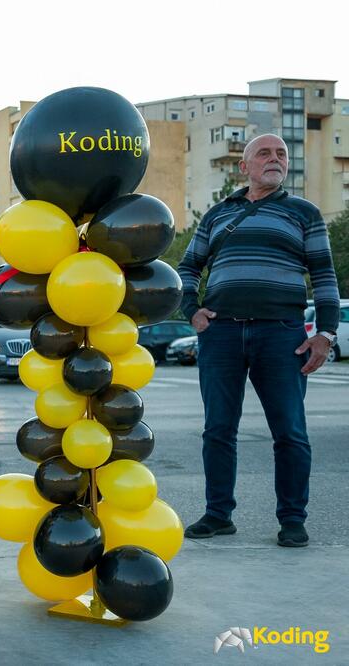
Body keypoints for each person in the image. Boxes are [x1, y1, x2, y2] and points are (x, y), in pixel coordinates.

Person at [178, 133, 339, 548]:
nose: (275, 159)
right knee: (217, 430)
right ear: (244, 166)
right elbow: (188, 267)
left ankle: (292, 519)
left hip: (281, 333)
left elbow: (324, 275)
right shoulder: (217, 214)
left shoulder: (304, 212)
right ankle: (218, 515)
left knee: (290, 432)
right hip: (222, 333)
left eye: (281, 154)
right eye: (264, 153)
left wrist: (325, 332)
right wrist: (191, 309)